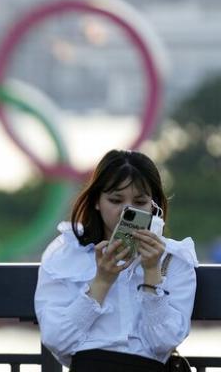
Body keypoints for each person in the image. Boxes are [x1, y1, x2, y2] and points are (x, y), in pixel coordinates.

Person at [35, 149, 198, 372]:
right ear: (96, 202)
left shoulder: (173, 258)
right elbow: (57, 339)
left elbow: (163, 343)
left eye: (139, 202)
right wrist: (102, 281)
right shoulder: (66, 254)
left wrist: (151, 273)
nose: (126, 211)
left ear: (154, 205)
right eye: (115, 200)